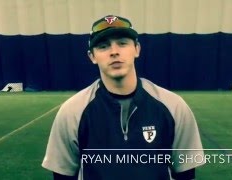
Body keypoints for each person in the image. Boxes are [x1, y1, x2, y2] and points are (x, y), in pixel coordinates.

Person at [42, 15, 205, 180]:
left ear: (137, 49)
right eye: (103, 46)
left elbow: (185, 173)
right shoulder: (72, 112)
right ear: (92, 56)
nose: (114, 52)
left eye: (122, 43)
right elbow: (63, 175)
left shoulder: (174, 106)